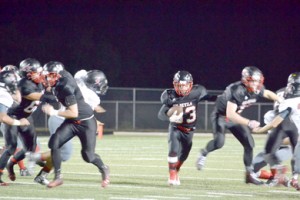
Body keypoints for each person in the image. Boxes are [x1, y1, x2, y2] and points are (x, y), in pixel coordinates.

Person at [196, 66, 282, 185]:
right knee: (219, 143)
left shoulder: (257, 88)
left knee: (249, 144)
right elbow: (230, 114)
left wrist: (281, 100)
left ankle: (249, 175)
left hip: (234, 117)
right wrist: (249, 122)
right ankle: (203, 153)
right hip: (221, 116)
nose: (255, 83)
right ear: (246, 80)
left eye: (257, 80)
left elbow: (267, 93)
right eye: (252, 80)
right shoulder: (237, 90)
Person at [29, 68, 109, 186]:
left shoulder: (66, 88)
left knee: (88, 156)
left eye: (49, 78)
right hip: (72, 122)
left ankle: (104, 168)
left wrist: (53, 112)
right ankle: (58, 177)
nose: (46, 81)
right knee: (54, 143)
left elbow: (74, 113)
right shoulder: (61, 78)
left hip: (85, 123)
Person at [158, 70, 215, 186]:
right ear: (174, 85)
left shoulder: (197, 92)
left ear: (190, 84)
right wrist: (171, 115)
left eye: (184, 85)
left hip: (189, 131)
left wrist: (222, 98)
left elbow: (209, 97)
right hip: (176, 128)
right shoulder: (170, 95)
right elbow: (160, 114)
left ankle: (176, 170)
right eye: (179, 85)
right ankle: (172, 175)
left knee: (184, 155)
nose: (181, 88)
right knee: (173, 150)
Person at [253, 72, 300, 189]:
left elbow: (278, 121)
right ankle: (281, 179)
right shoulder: (281, 102)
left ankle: (288, 178)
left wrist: (260, 130)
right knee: (252, 168)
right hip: (284, 136)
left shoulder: (288, 102)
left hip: (287, 143)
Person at [252, 88, 293, 181]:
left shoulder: (296, 117)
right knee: (252, 168)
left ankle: (290, 179)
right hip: (279, 144)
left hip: (291, 147)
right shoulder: (271, 115)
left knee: (273, 156)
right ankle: (277, 178)